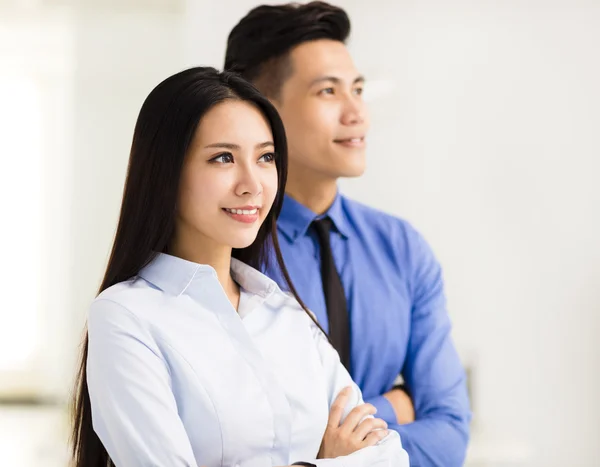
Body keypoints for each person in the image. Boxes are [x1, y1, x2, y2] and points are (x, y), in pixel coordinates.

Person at [70, 67, 410, 467]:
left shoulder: (287, 313)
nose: (253, 183)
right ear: (166, 171)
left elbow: (388, 456)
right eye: (223, 158)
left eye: (266, 157)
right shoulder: (126, 316)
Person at [224, 3, 471, 466]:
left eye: (357, 89)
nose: (357, 112)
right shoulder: (229, 251)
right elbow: (233, 440)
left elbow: (450, 434)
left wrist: (336, 437)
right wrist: (396, 406)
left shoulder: (401, 248)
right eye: (328, 91)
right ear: (261, 108)